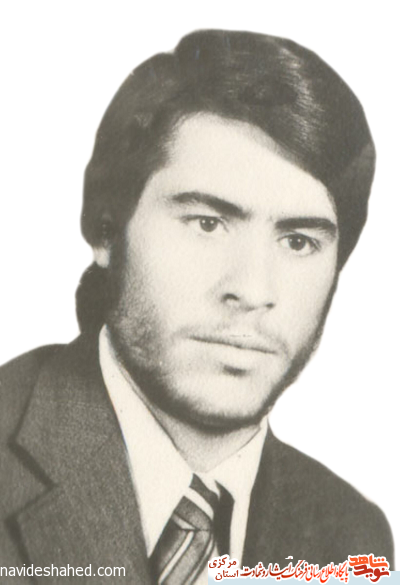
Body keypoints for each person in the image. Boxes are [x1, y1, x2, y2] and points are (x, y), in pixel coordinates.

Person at [0, 29, 394, 583]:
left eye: (298, 241)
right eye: (208, 223)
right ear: (106, 229)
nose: (252, 289)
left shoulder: (352, 536)